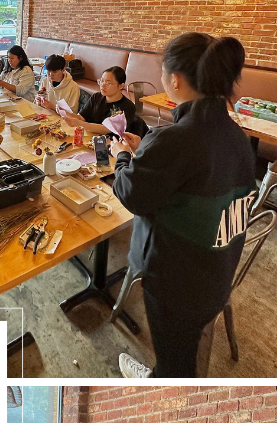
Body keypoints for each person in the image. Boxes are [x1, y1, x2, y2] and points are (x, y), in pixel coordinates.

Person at [110, 34, 257, 380]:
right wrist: (147, 147)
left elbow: (131, 193)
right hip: (217, 273)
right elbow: (192, 179)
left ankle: (157, 379)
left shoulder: (176, 140)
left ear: (174, 79)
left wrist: (121, 158)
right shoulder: (237, 137)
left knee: (176, 367)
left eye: (163, 72)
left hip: (176, 284)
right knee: (179, 353)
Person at [62, 67, 148, 140]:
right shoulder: (96, 97)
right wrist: (66, 113)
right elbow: (81, 117)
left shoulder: (128, 107)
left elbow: (106, 129)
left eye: (108, 83)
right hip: (92, 139)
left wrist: (79, 123)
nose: (103, 85)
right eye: (102, 81)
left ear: (121, 86)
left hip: (112, 145)